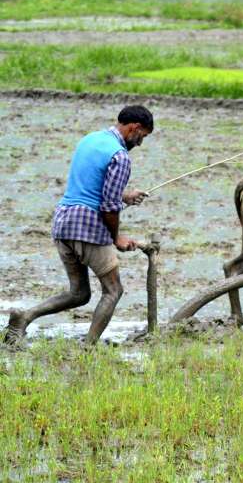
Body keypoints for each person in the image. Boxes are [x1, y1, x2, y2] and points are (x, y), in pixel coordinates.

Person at [4, 106, 154, 345]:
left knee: (79, 293)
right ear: (134, 127)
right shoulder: (120, 156)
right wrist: (117, 238)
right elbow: (107, 207)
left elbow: (90, 185)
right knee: (113, 291)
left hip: (63, 223)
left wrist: (125, 196)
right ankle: (88, 347)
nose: (140, 142)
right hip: (87, 227)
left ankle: (25, 316)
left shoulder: (90, 139)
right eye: (142, 136)